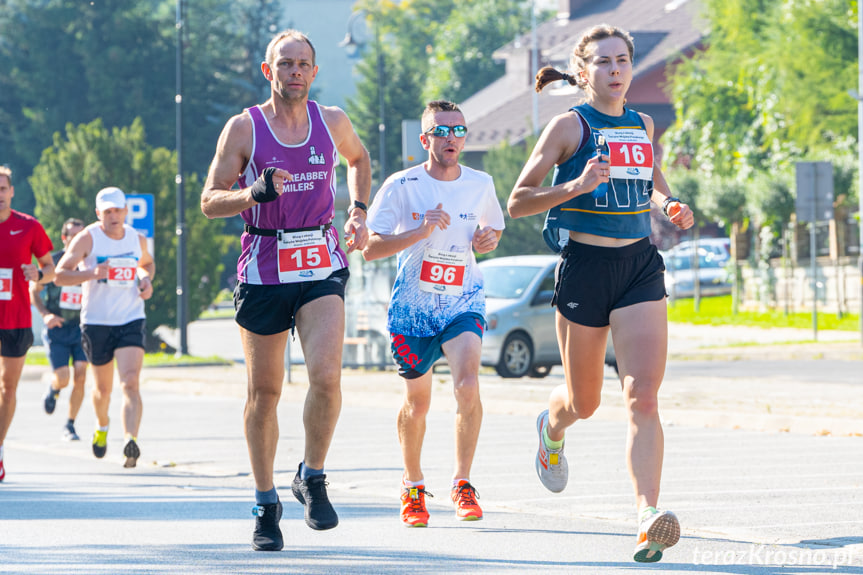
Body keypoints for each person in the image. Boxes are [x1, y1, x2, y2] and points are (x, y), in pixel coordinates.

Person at [507, 25, 694, 563]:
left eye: (623, 60)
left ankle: (646, 517)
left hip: (639, 267)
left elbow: (651, 177)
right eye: (604, 62)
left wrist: (667, 204)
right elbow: (519, 201)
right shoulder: (569, 126)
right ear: (583, 71)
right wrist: (574, 186)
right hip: (585, 270)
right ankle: (552, 426)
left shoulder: (642, 122)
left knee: (644, 395)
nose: (616, 70)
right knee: (583, 403)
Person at [200, 29, 371, 551]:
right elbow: (209, 200)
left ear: (314, 73)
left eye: (303, 64)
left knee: (326, 376)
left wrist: (358, 211)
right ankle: (265, 500)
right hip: (264, 265)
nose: (295, 72)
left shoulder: (332, 121)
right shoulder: (244, 128)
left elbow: (359, 161)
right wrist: (251, 192)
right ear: (267, 71)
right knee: (265, 393)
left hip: (320, 261)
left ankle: (312, 476)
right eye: (285, 64)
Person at [362, 100, 505, 527]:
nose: (451, 139)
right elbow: (370, 248)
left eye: (459, 131)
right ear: (425, 140)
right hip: (413, 308)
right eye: (442, 131)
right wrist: (419, 231)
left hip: (464, 299)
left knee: (467, 384)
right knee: (417, 403)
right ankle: (413, 485)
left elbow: (493, 229)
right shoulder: (401, 186)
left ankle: (462, 483)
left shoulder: (480, 183)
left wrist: (487, 239)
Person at [55, 187, 154, 470]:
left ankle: (130, 440)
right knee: (102, 389)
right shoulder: (88, 238)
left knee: (131, 381)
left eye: (117, 210)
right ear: (99, 214)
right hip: (97, 322)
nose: (113, 216)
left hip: (130, 318)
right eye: (107, 211)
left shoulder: (136, 238)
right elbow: (60, 275)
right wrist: (92, 273)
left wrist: (146, 281)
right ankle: (101, 426)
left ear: (125, 211)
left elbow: (146, 264)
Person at [0, 166, 56, 482]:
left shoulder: (28, 227)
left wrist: (39, 274)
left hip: (16, 320)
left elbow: (49, 268)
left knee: (8, 390)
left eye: (3, 188)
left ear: (11, 192)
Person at [30, 218, 88, 441]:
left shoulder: (88, 263)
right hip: (58, 328)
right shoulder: (52, 264)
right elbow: (33, 291)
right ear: (65, 239)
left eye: (81, 235)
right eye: (73, 235)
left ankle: (70, 424)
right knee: (63, 377)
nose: (77, 239)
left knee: (81, 375)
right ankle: (54, 388)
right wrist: (46, 315)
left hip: (81, 328)